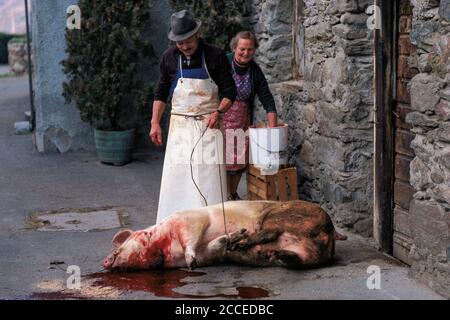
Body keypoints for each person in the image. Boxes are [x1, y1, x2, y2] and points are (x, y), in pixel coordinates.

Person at [149, 10, 237, 223]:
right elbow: (161, 92)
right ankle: (173, 225)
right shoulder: (169, 58)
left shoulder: (215, 55)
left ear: (197, 34)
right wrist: (154, 123)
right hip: (179, 127)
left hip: (209, 125)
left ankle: (213, 227)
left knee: (208, 180)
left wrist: (219, 112)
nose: (185, 46)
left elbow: (230, 92)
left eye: (188, 41)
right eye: (180, 43)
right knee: (178, 177)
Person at [224, 31, 278, 201]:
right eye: (242, 49)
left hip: (242, 120)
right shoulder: (223, 62)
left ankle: (232, 193)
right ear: (234, 48)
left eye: (250, 49)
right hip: (221, 119)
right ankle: (221, 196)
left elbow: (267, 99)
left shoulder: (255, 71)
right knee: (218, 161)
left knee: (239, 162)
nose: (246, 53)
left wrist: (272, 128)